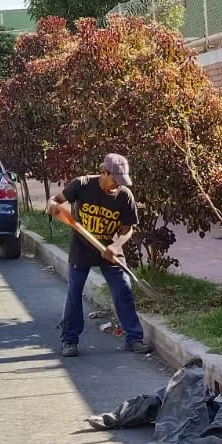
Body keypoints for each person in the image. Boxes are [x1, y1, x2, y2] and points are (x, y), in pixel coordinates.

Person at [48, 153, 151, 358]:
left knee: (123, 290)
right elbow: (56, 200)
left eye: (122, 182)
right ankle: (69, 340)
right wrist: (52, 204)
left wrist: (116, 245)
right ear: (104, 172)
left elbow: (127, 228)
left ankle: (134, 338)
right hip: (82, 248)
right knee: (74, 293)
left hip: (109, 250)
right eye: (115, 180)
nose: (117, 185)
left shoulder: (124, 196)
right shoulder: (82, 184)